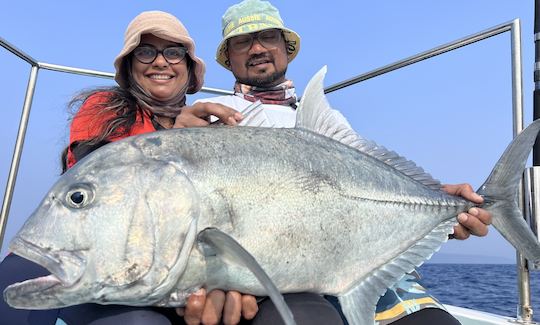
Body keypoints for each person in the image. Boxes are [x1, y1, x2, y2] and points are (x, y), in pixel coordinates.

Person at [175, 0, 493, 324]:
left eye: (268, 37)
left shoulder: (322, 117)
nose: (256, 48)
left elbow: (370, 189)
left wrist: (438, 204)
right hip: (281, 272)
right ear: (228, 58)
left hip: (364, 267)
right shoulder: (211, 112)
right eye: (243, 41)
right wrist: (178, 133)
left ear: (286, 48)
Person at [0, 10, 240, 325]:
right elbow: (101, 183)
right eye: (145, 51)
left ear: (189, 68)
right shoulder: (103, 108)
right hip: (82, 257)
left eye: (174, 52)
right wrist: (175, 140)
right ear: (129, 67)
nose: (160, 61)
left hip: (165, 269)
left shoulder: (211, 127)